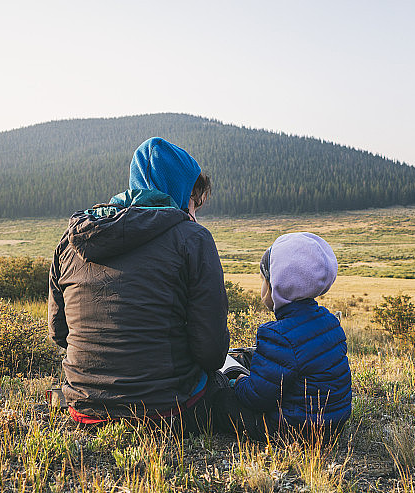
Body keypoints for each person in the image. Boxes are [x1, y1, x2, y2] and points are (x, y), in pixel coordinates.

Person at [48, 137, 230, 433]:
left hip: (84, 407)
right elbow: (211, 353)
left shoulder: (71, 241)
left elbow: (59, 333)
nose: (194, 215)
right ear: (180, 192)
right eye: (194, 204)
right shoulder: (193, 238)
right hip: (168, 411)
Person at [223, 232, 352, 442]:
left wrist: (237, 381)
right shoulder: (329, 322)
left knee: (221, 400)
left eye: (263, 279)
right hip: (333, 425)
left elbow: (257, 397)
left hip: (294, 430)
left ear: (277, 284)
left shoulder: (278, 334)